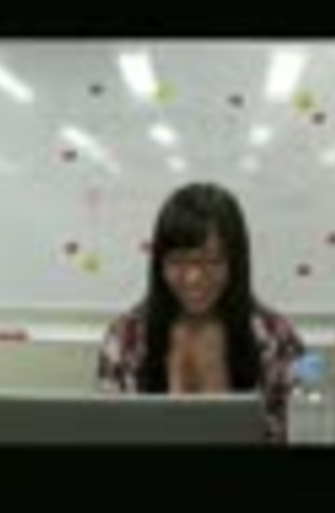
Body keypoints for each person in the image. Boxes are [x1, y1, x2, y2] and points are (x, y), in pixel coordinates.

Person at [96, 182, 305, 442]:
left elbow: (299, 427)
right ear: (159, 264)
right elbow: (110, 431)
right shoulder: (124, 337)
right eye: (178, 261)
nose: (194, 278)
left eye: (212, 261)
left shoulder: (278, 337)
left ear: (235, 262)